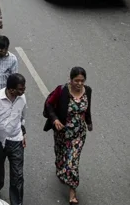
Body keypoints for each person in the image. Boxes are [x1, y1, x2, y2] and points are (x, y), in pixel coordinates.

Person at [43, 67, 93, 205]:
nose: (79, 84)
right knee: (60, 156)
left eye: (82, 81)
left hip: (79, 134)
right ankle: (60, 168)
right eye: (76, 80)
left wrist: (89, 122)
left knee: (72, 163)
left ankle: (72, 193)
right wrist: (55, 119)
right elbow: (49, 104)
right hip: (62, 132)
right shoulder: (62, 90)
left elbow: (87, 109)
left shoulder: (87, 91)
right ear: (70, 80)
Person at [0, 73, 27, 205]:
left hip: (16, 140)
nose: (23, 91)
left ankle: (16, 202)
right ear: (11, 89)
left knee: (17, 175)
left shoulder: (22, 99)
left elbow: (22, 118)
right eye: (20, 89)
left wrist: (23, 134)